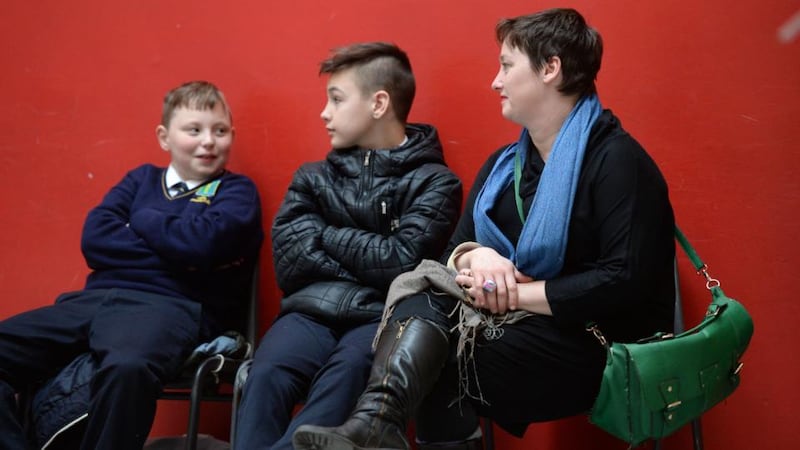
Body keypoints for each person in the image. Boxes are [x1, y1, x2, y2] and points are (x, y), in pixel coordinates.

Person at [293, 8, 675, 450]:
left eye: (507, 65)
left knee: (444, 356)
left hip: (604, 345)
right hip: (522, 328)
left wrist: (515, 294)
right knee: (425, 293)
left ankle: (376, 424)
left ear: (550, 68)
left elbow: (623, 280)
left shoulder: (616, 160)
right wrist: (479, 255)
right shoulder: (503, 168)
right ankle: (377, 422)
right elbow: (449, 256)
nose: (496, 81)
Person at [0, 80, 264, 450]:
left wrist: (141, 219)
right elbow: (95, 239)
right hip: (93, 301)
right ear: (164, 137)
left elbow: (202, 244)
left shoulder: (236, 192)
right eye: (194, 130)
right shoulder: (139, 180)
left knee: (128, 368)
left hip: (169, 307)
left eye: (220, 131)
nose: (208, 141)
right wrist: (177, 249)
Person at [232, 42, 462, 450]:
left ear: (378, 103)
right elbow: (291, 262)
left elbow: (402, 262)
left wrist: (327, 234)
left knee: (350, 372)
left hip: (377, 319)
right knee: (266, 373)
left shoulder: (436, 183)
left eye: (336, 99)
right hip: (307, 314)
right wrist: (372, 250)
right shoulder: (312, 176)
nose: (325, 112)